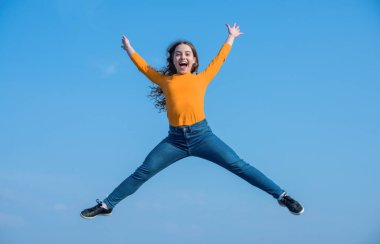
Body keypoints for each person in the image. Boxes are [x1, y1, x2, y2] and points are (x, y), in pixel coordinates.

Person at [80, 23, 304, 219]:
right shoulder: (165, 80)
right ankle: (107, 205)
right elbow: (144, 68)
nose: (182, 57)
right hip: (174, 141)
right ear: (173, 60)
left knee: (239, 165)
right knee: (143, 172)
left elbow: (220, 59)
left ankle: (283, 196)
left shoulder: (202, 78)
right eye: (178, 54)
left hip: (202, 136)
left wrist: (231, 38)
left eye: (187, 54)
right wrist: (130, 50)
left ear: (194, 60)